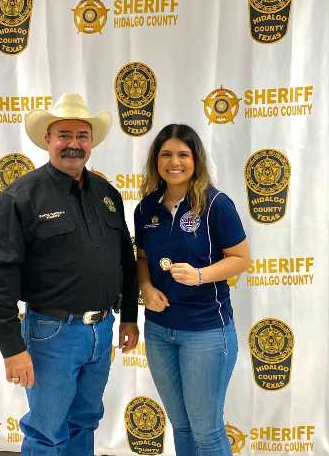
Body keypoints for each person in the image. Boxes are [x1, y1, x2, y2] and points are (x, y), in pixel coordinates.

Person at [0, 93, 139, 456]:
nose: (73, 144)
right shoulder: (22, 196)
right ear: (48, 140)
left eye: (82, 136)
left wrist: (129, 316)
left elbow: (125, 262)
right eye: (64, 135)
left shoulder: (107, 194)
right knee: (47, 432)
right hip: (51, 335)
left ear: (91, 142)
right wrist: (12, 348)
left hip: (102, 331)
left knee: (84, 421)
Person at [133, 124, 250, 456]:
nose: (174, 162)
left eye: (183, 154)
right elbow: (142, 258)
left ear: (195, 160)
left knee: (207, 431)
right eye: (166, 154)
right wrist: (145, 286)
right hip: (158, 332)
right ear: (156, 160)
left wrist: (200, 275)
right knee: (181, 426)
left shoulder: (215, 204)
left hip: (206, 332)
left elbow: (241, 259)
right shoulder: (146, 208)